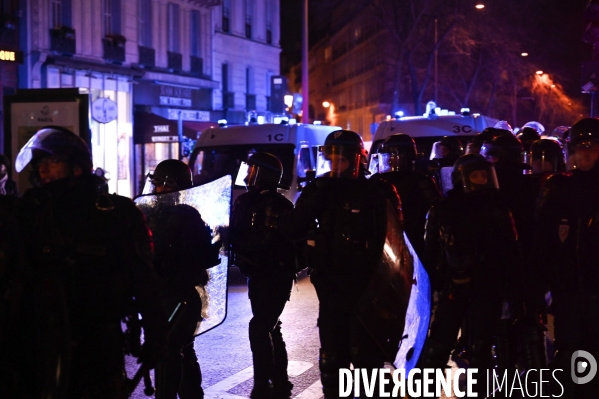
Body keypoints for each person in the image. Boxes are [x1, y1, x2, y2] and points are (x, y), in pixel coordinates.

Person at [13, 126, 167, 398]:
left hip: (98, 342)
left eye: (52, 162)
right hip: (39, 340)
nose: (43, 170)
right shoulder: (29, 212)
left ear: (76, 167)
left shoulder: (113, 212)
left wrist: (156, 332)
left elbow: (143, 276)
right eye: (40, 164)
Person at [282, 130, 402, 399]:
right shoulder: (319, 188)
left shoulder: (377, 190)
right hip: (329, 282)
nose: (335, 163)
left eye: (342, 158)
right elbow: (292, 229)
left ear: (356, 159)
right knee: (332, 355)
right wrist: (317, 200)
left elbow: (395, 239)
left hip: (369, 284)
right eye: (331, 157)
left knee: (366, 357)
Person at [418, 154, 520, 396]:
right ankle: (426, 389)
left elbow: (511, 251)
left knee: (480, 346)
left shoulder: (498, 209)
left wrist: (512, 289)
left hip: (487, 286)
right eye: (476, 175)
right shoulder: (443, 210)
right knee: (439, 344)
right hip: (453, 286)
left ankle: (479, 391)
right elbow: (430, 251)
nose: (482, 180)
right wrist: (430, 288)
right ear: (462, 178)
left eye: (485, 175)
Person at [143, 159, 220, 399]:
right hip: (160, 295)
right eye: (156, 184)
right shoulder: (148, 214)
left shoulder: (188, 216)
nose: (159, 190)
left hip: (181, 297)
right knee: (181, 351)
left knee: (170, 352)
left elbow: (204, 258)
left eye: (164, 185)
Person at [534, 117, 599, 397]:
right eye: (580, 146)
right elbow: (543, 237)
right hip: (567, 287)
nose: (585, 153)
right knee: (571, 348)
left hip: (595, 286)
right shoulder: (558, 187)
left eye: (592, 146)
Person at [229, 152, 297, 399]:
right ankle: (280, 380)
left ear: (264, 175)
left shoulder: (278, 206)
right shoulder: (245, 201)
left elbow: (267, 243)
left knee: (260, 327)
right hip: (256, 273)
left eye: (252, 170)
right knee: (270, 326)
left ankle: (261, 386)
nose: (247, 175)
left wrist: (238, 242)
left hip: (275, 274)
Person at [370, 133, 441, 262]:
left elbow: (437, 210)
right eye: (387, 157)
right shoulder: (377, 181)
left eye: (394, 157)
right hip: (383, 243)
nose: (389, 161)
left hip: (415, 242)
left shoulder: (421, 181)